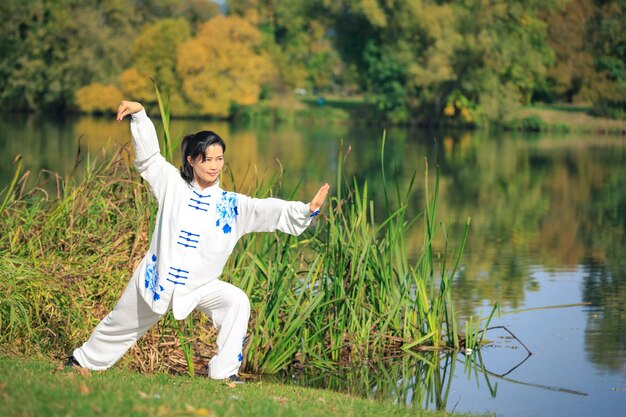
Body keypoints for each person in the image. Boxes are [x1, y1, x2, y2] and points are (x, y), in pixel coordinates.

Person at [67, 100, 329, 381]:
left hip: (200, 286)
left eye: (219, 159)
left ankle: (225, 375)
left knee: (236, 301)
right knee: (121, 322)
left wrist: (306, 210)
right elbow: (149, 159)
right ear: (191, 161)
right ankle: (81, 361)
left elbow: (265, 209)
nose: (214, 166)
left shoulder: (231, 205)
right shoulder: (171, 184)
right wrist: (141, 115)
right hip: (157, 279)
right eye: (207, 159)